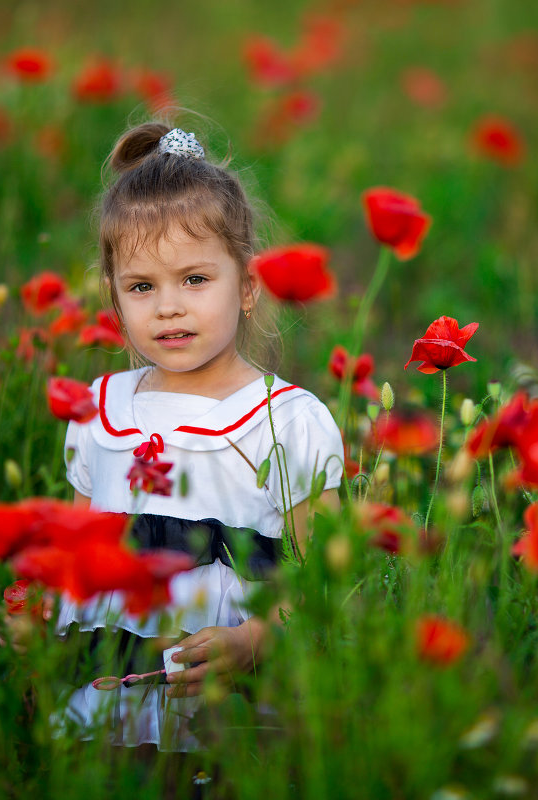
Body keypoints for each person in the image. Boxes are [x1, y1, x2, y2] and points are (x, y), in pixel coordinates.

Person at [55, 121, 343, 752]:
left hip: (229, 706)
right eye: (141, 287)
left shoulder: (287, 421)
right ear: (114, 298)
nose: (168, 307)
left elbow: (324, 576)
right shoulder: (100, 412)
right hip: (108, 700)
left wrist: (256, 640)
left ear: (246, 286)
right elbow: (78, 556)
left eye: (194, 280)